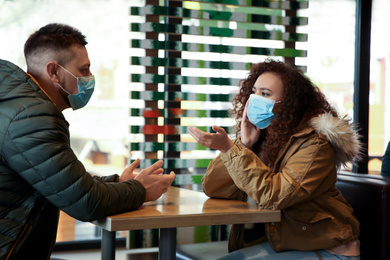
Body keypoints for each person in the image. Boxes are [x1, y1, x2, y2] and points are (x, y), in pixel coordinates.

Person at [0, 23, 175, 260]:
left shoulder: (17, 105)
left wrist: (117, 182)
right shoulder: (32, 117)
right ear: (54, 71)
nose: (90, 78)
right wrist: (140, 190)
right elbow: (86, 202)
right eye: (84, 70)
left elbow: (57, 180)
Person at [188, 60, 362, 259]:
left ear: (289, 102)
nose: (254, 99)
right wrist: (242, 146)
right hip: (283, 244)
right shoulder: (260, 137)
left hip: (327, 249)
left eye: (265, 94)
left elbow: (274, 196)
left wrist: (230, 149)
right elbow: (214, 189)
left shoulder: (315, 144)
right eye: (253, 91)